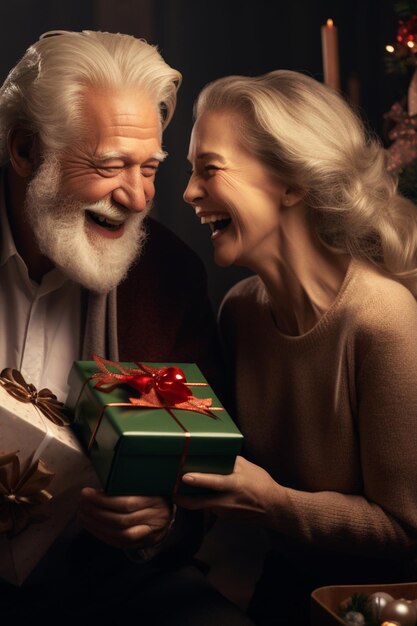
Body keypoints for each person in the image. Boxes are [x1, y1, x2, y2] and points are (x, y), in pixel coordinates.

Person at [0, 30, 254, 625]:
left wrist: (161, 519)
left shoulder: (168, 276)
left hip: (105, 586)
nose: (138, 199)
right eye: (111, 165)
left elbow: (202, 479)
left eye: (150, 168)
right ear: (23, 151)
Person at [178, 69, 417, 625]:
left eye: (208, 170)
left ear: (291, 183)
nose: (188, 192)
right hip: (283, 592)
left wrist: (275, 505)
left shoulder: (383, 321)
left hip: (380, 605)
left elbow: (406, 528)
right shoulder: (238, 311)